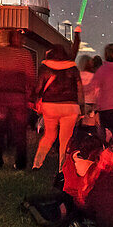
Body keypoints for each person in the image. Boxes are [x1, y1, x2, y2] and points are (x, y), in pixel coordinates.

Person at [0, 28, 35, 170]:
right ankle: (20, 163)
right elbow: (31, 77)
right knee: (20, 131)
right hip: (18, 97)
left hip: (1, 96)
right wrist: (30, 96)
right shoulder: (25, 54)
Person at [32, 44, 84, 173]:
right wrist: (82, 106)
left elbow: (38, 88)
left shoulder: (45, 67)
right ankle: (62, 169)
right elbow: (80, 89)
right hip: (70, 106)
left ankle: (37, 164)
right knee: (65, 139)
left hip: (50, 106)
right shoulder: (72, 68)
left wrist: (35, 100)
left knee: (49, 136)